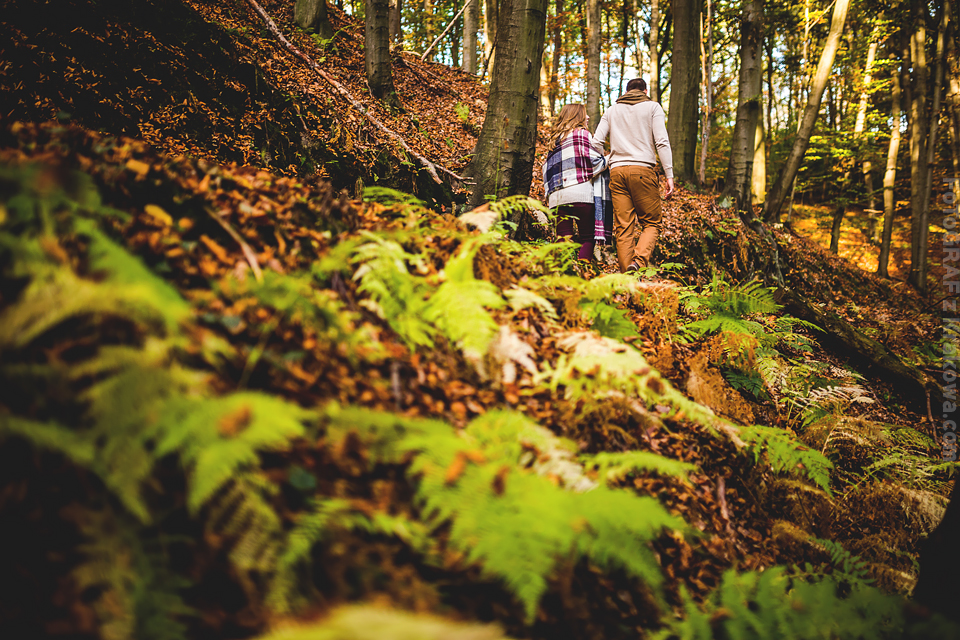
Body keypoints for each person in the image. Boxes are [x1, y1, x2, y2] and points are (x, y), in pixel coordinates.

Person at [591, 78, 674, 273]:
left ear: (626, 92)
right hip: (643, 171)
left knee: (623, 228)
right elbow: (662, 142)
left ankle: (626, 278)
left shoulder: (612, 110)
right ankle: (638, 262)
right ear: (645, 91)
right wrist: (669, 174)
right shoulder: (653, 107)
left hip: (617, 173)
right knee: (652, 223)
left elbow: (596, 142)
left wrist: (609, 159)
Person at [542, 104, 612, 261]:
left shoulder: (554, 140)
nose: (588, 117)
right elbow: (593, 163)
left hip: (557, 198)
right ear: (577, 116)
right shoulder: (582, 134)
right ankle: (583, 269)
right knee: (587, 238)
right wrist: (611, 157)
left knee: (563, 238)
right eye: (584, 114)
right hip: (581, 195)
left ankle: (563, 272)